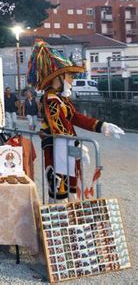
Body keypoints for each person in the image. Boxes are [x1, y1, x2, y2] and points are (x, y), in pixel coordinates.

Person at [27, 39, 124, 202]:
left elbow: (76, 117)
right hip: (57, 149)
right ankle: (59, 225)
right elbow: (59, 127)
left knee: (69, 190)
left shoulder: (61, 99)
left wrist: (102, 126)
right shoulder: (51, 98)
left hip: (65, 148)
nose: (72, 80)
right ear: (59, 78)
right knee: (60, 193)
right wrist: (78, 144)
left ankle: (70, 224)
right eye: (70, 76)